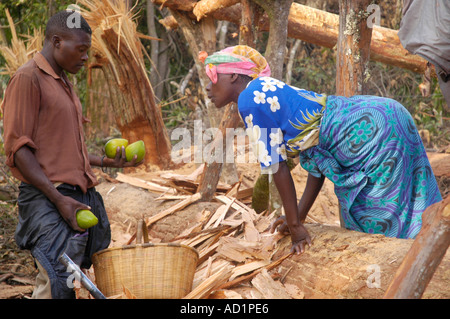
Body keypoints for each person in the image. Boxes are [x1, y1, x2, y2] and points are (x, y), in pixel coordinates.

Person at [200, 45, 443, 254]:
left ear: (233, 75)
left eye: (211, 77)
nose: (207, 89)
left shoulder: (249, 99)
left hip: (370, 132)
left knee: (379, 219)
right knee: (408, 202)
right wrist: (298, 217)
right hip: (381, 115)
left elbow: (277, 167)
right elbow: (318, 164)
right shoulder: (264, 89)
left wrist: (296, 230)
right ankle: (429, 255)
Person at [2, 10, 142, 298]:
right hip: (49, 199)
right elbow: (19, 151)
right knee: (55, 282)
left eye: (87, 51)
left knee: (73, 283)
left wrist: (105, 161)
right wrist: (58, 199)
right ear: (56, 41)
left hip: (75, 198)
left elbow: (62, 147)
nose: (85, 58)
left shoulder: (63, 83)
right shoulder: (28, 78)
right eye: (80, 49)